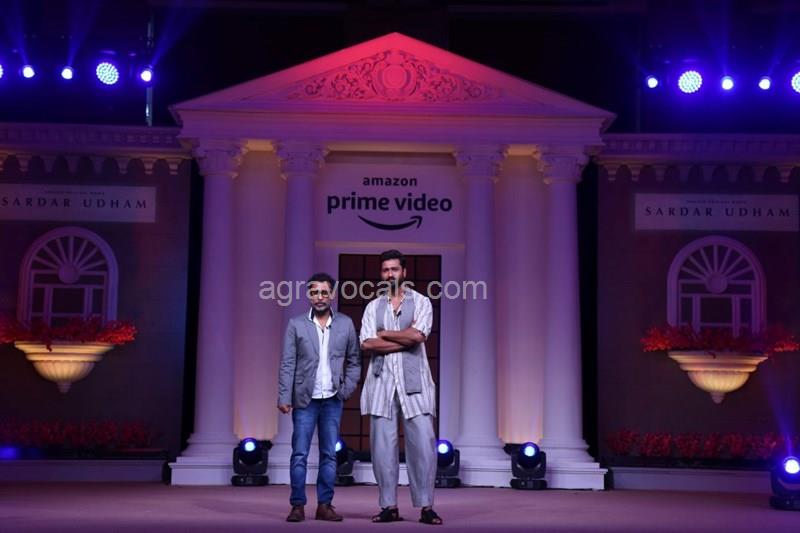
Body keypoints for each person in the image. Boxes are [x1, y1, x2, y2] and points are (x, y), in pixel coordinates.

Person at [360, 250, 443, 525]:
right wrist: (404, 338)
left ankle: (426, 507)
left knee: (423, 446)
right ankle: (389, 506)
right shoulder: (373, 307)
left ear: (404, 272)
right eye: (385, 270)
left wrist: (384, 334)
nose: (390, 274)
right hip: (381, 384)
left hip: (415, 384)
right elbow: (367, 343)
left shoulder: (421, 302)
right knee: (382, 449)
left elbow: (419, 335)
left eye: (394, 269)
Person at [278, 272, 361, 522]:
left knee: (329, 454)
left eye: (324, 292)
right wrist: (284, 396)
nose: (320, 297)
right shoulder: (296, 324)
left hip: (333, 399)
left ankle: (325, 505)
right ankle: (297, 505)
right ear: (309, 295)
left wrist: (345, 390)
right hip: (305, 399)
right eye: (315, 292)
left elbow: (354, 361)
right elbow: (287, 363)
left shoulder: (345, 324)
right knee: (299, 454)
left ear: (332, 294)